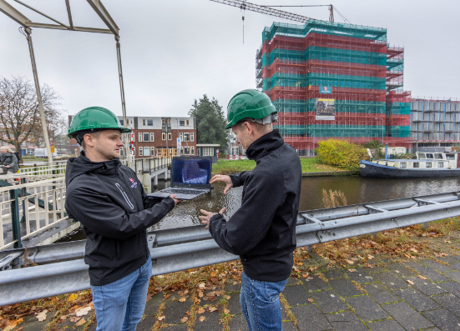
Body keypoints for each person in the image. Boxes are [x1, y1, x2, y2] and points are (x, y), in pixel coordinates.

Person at [65, 106, 181, 331]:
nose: (121, 143)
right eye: (113, 137)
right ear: (89, 139)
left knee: (132, 323)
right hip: (113, 275)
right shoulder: (81, 189)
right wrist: (168, 205)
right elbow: (123, 225)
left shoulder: (124, 171)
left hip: (141, 263)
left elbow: (142, 204)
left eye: (120, 138)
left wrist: (170, 196)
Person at [199, 89, 302, 331]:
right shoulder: (286, 154)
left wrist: (215, 221)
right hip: (275, 260)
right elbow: (264, 175)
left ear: (248, 127)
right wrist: (236, 179)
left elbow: (236, 239)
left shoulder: (267, 174)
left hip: (263, 272)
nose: (236, 140)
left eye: (236, 133)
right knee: (247, 307)